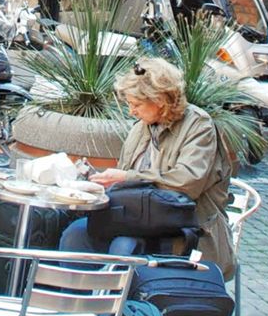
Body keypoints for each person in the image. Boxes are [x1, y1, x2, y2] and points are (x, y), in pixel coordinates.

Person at [60, 57, 236, 279]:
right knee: (75, 234)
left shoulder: (199, 126)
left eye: (136, 104)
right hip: (137, 219)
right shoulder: (141, 128)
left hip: (185, 228)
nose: (132, 111)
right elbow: (126, 184)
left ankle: (111, 312)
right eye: (130, 104)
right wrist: (95, 184)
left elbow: (186, 184)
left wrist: (127, 177)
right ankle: (76, 305)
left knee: (125, 248)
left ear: (160, 100)